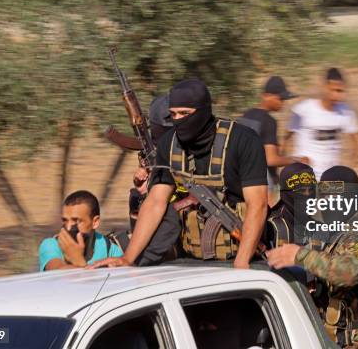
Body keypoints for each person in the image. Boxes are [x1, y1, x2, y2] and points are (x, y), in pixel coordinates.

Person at [91, 79, 268, 269]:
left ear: (204, 111)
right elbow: (155, 202)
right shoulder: (169, 144)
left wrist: (242, 262)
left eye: (185, 113)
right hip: (190, 258)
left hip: (243, 256)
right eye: (173, 114)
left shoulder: (242, 140)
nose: (179, 120)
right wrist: (128, 259)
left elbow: (257, 205)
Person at [267, 166, 358, 348]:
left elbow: (349, 273)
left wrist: (299, 255)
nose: (324, 205)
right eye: (323, 198)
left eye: (332, 199)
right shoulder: (344, 229)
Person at [108, 94, 182, 266]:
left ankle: (140, 260)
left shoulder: (182, 152)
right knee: (135, 196)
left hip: (175, 214)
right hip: (155, 209)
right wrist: (143, 182)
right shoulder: (153, 150)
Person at [239, 75, 308, 205]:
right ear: (266, 95)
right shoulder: (269, 121)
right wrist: (297, 160)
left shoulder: (246, 115)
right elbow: (271, 159)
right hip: (263, 184)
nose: (282, 102)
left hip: (241, 181)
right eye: (280, 98)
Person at [287, 68, 358, 180]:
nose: (337, 95)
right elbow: (287, 138)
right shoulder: (304, 109)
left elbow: (357, 145)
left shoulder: (346, 112)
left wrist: (350, 169)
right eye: (333, 90)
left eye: (340, 91)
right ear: (324, 87)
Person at [38, 190, 123, 271]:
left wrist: (79, 261)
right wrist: (78, 259)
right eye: (65, 220)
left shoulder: (110, 249)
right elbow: (57, 270)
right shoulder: (51, 245)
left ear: (95, 222)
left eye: (76, 221)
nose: (68, 228)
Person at [265, 162, 317, 249]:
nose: (308, 195)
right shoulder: (270, 227)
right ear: (286, 193)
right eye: (301, 191)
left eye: (311, 190)